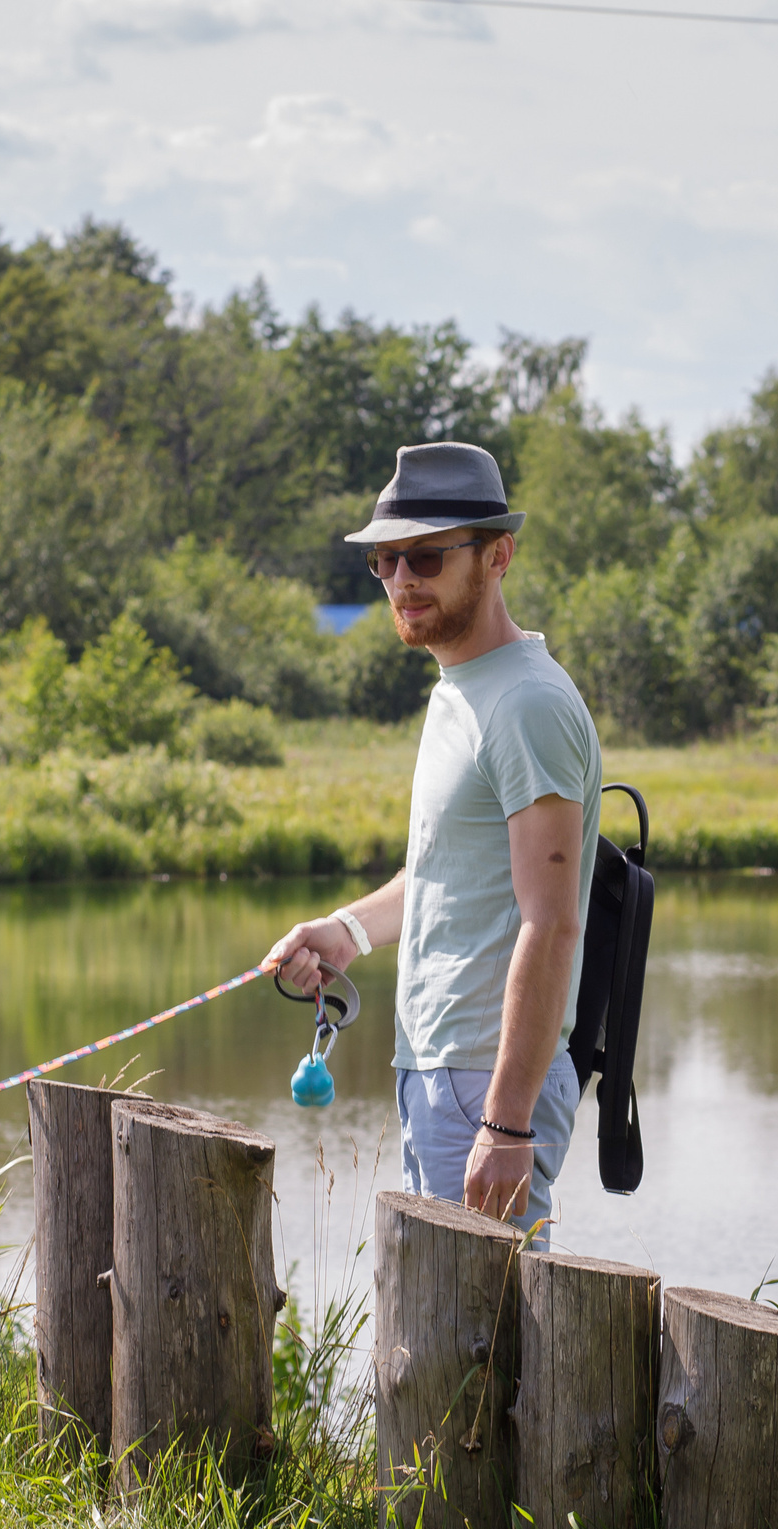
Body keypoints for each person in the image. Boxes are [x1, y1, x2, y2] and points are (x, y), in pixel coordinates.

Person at [264, 441, 602, 1244]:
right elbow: (445, 877)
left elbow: (550, 920)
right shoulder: (460, 690)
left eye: (424, 555)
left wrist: (509, 1124)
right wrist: (345, 932)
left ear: (498, 555)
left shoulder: (526, 704)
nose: (402, 580)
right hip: (442, 1071)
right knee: (452, 1349)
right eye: (385, 560)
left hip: (488, 1083)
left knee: (482, 1354)